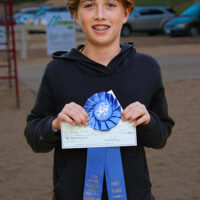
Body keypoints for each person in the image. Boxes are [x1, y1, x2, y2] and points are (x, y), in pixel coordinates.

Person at [24, 0, 175, 199]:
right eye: (89, 5)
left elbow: (161, 137)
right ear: (75, 15)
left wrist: (148, 121)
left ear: (126, 13)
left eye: (111, 4)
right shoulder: (57, 71)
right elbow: (34, 136)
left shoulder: (147, 68)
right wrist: (55, 124)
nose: (100, 15)